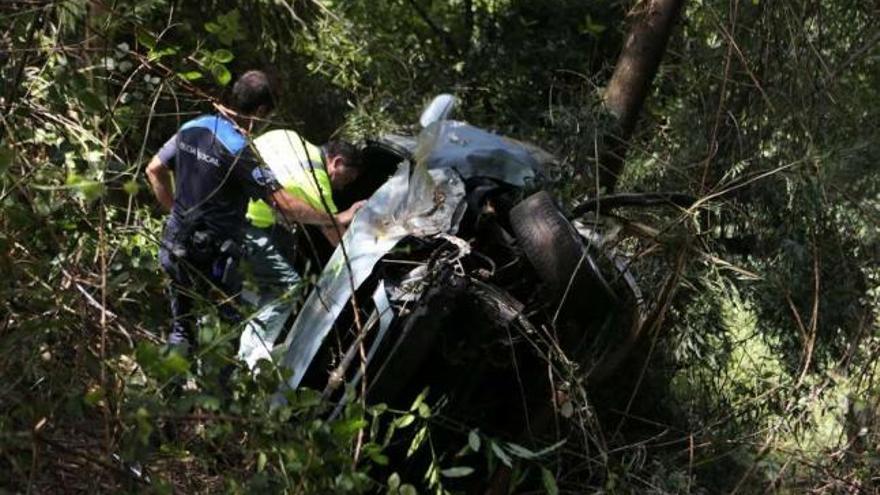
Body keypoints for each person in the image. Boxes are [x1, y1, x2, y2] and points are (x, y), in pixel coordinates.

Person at [145, 70, 363, 356]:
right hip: (213, 255)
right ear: (260, 111)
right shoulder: (238, 149)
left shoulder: (194, 126)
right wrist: (338, 218)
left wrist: (177, 213)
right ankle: (231, 383)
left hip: (175, 242)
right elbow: (283, 203)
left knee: (182, 329)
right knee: (227, 330)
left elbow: (154, 169)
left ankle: (171, 392)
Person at [236, 130, 365, 369]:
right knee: (287, 288)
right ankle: (250, 359)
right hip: (249, 226)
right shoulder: (317, 185)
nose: (344, 187)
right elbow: (341, 244)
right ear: (336, 163)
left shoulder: (287, 135)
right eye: (347, 179)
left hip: (223, 208)